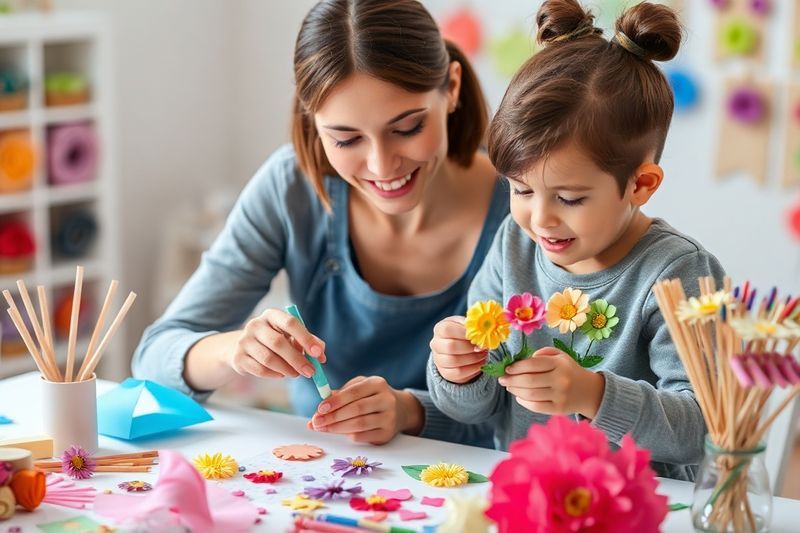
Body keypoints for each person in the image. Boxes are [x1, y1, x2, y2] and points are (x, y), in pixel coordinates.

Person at [132, 0, 508, 447]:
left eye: (406, 128)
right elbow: (153, 358)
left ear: (451, 87)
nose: (382, 165)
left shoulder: (525, 210)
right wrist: (236, 350)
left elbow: (538, 411)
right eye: (346, 138)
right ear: (315, 124)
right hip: (321, 480)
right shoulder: (291, 188)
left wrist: (410, 411)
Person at [427, 0, 724, 480]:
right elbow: (472, 411)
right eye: (521, 189)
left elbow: (707, 428)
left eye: (568, 198)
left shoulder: (677, 273)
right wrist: (456, 370)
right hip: (530, 495)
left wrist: (594, 395)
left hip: (645, 509)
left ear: (641, 185)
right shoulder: (514, 244)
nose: (539, 218)